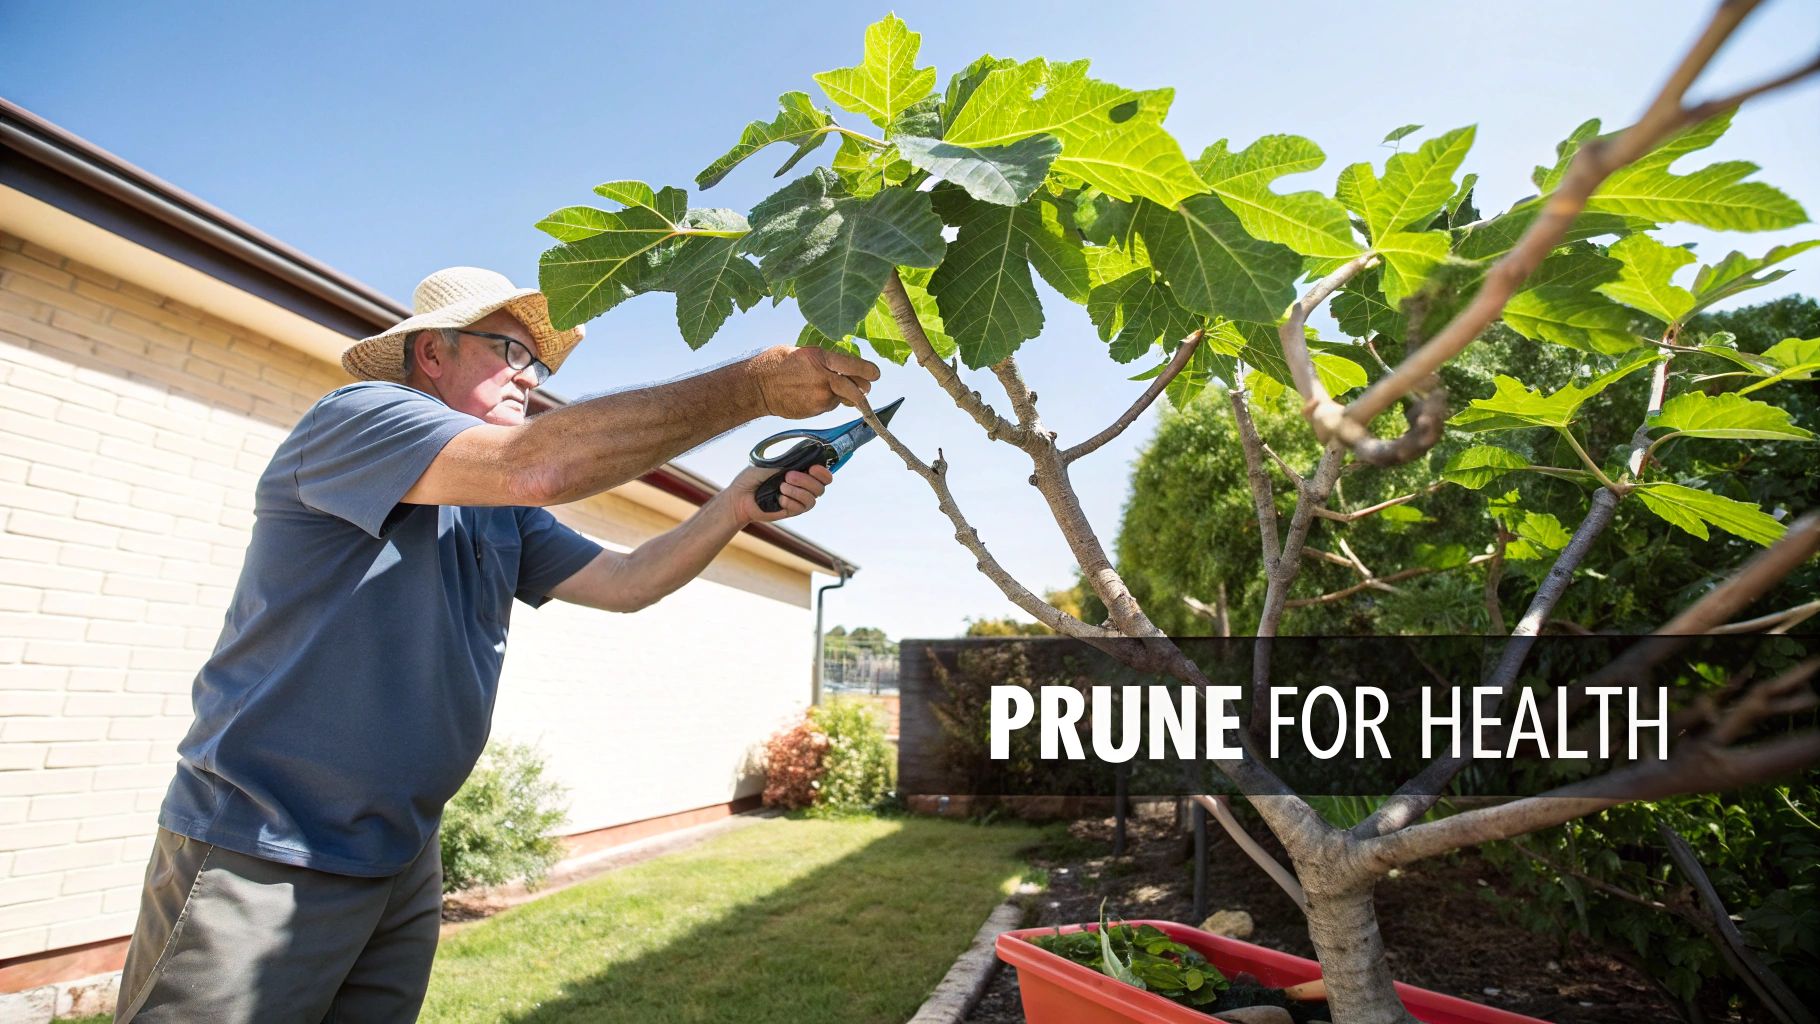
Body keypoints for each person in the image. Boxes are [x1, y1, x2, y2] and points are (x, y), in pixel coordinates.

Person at [113, 266, 880, 1022]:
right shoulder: (359, 418)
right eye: (509, 353)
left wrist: (735, 505)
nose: (530, 378)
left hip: (403, 851)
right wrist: (751, 387)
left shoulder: (495, 509)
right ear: (433, 353)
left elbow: (627, 580)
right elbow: (540, 466)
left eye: (537, 365)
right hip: (267, 842)